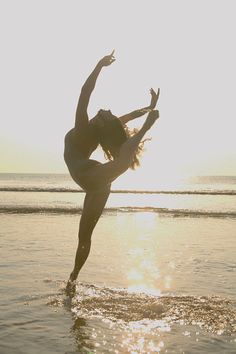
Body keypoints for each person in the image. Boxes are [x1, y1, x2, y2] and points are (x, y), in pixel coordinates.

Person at [64, 50, 160, 293]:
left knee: (84, 237)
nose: (105, 110)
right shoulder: (90, 130)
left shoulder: (83, 128)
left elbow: (84, 93)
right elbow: (124, 118)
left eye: (106, 114)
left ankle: (73, 279)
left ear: (102, 124)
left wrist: (98, 66)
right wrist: (149, 107)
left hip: (88, 175)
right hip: (98, 183)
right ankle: (73, 278)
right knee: (84, 237)